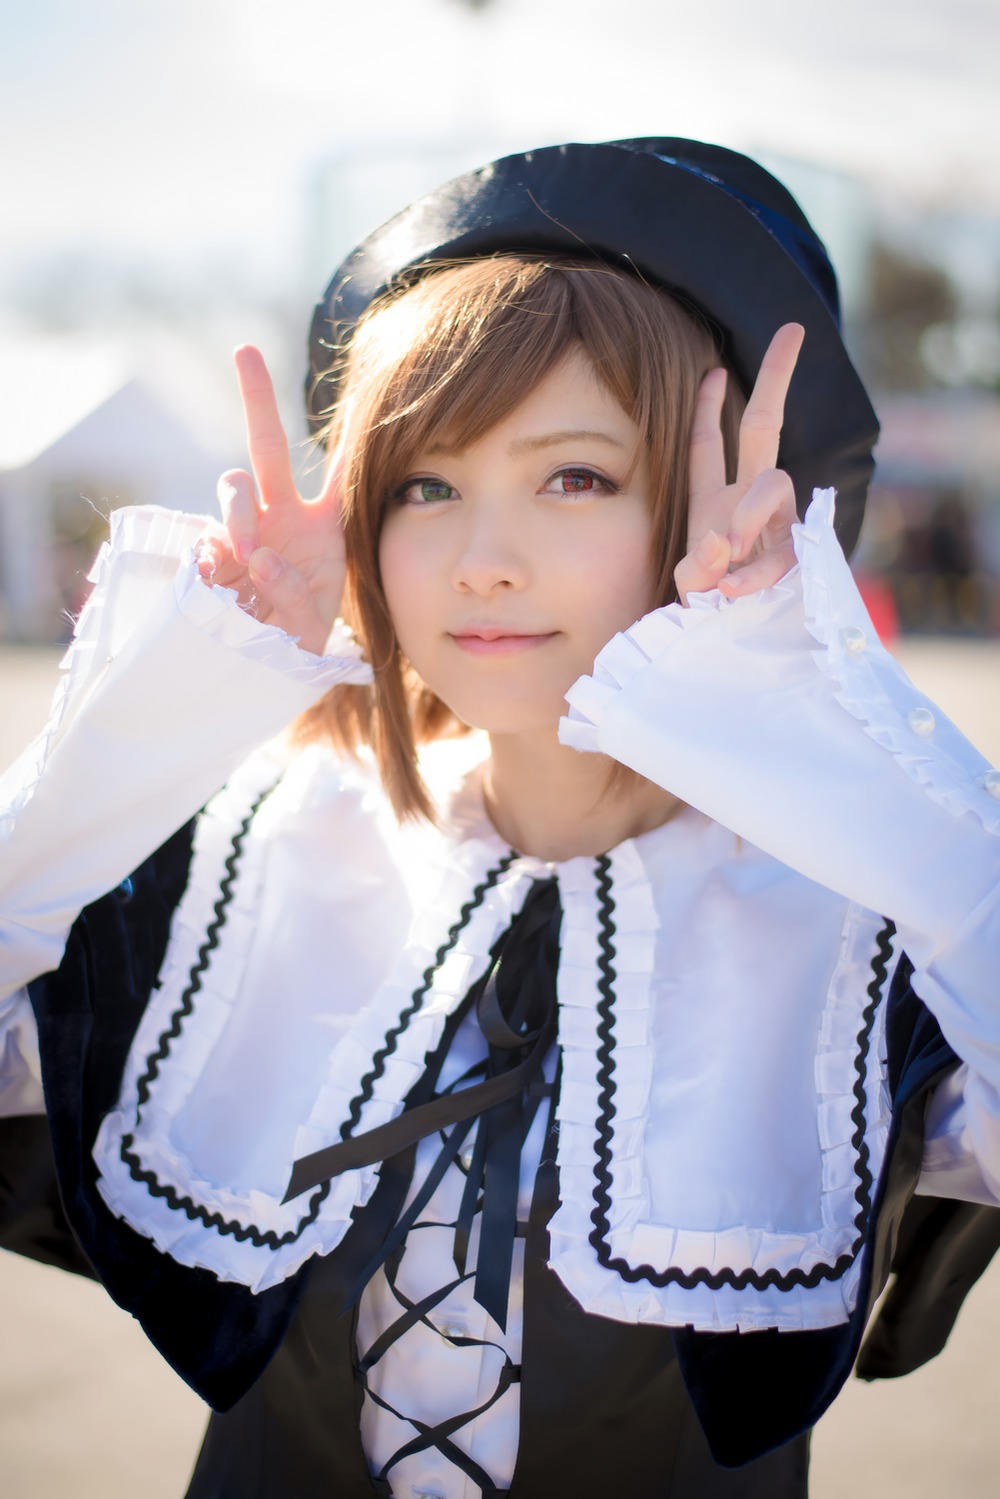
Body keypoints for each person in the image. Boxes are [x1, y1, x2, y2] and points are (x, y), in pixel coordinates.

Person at [1, 138, 999, 1499]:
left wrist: (803, 711)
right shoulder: (266, 857)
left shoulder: (858, 933)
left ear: (718, 499)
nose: (483, 559)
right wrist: (165, 704)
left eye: (575, 475)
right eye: (425, 484)